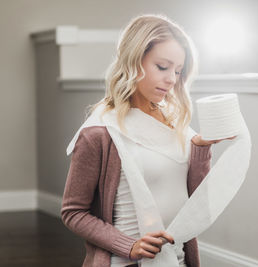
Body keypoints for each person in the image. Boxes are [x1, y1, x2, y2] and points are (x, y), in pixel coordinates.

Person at [61, 14, 232, 267]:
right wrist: (129, 245)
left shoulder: (177, 124)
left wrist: (200, 149)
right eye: (162, 67)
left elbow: (196, 203)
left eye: (177, 71)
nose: (172, 79)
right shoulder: (100, 132)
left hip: (177, 259)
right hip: (126, 262)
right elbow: (73, 212)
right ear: (134, 60)